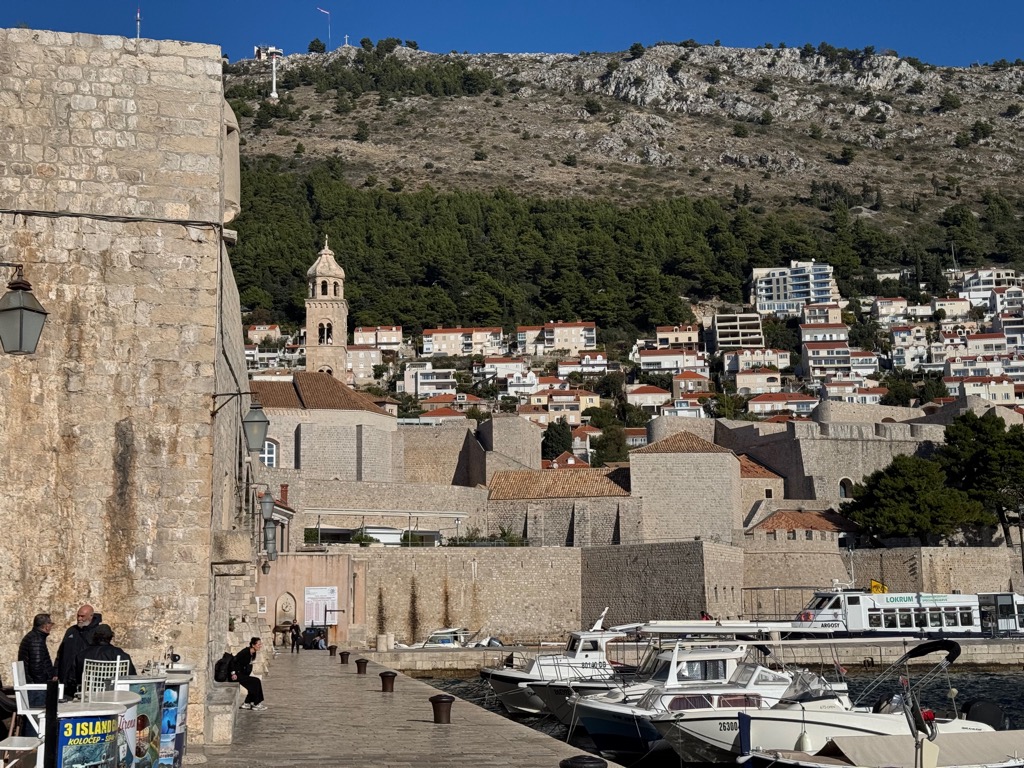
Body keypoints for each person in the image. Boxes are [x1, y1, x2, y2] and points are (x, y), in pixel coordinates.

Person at [17, 613, 57, 733]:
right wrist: (45, 683)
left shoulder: (34, 637)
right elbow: (37, 666)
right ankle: (32, 741)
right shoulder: (37, 640)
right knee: (35, 719)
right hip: (35, 686)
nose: (51, 627)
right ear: (46, 626)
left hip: (32, 684)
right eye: (50, 624)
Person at [70, 624, 137, 695]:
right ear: (110, 637)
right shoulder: (120, 654)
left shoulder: (82, 654)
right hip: (113, 694)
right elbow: (132, 676)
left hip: (89, 695)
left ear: (94, 637)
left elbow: (72, 678)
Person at [56, 604, 102, 698]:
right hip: (67, 680)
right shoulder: (71, 631)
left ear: (91, 616)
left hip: (86, 680)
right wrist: (56, 672)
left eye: (82, 616)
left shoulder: (97, 633)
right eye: (78, 615)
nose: (79, 618)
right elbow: (61, 653)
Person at [231, 637, 266, 711]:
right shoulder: (245, 651)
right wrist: (233, 673)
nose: (260, 646)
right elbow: (233, 661)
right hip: (236, 675)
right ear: (253, 645)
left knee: (253, 684)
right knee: (256, 681)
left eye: (260, 644)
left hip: (243, 674)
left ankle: (247, 703)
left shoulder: (253, 653)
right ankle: (256, 704)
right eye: (258, 644)